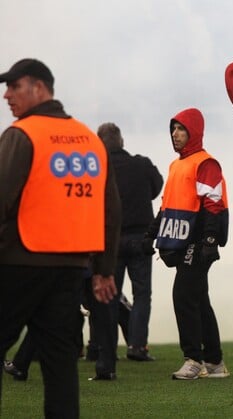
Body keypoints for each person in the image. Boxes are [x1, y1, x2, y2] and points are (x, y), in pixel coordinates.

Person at [0, 58, 121, 418]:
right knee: (60, 368)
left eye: (13, 86)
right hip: (70, 269)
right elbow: (109, 210)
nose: (7, 95)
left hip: (17, 262)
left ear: (39, 88)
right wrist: (103, 270)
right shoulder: (90, 141)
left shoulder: (23, 134)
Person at [144, 107, 230, 380]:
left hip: (197, 242)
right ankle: (215, 363)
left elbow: (213, 204)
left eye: (181, 128)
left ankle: (194, 360)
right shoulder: (175, 165)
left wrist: (209, 241)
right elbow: (166, 206)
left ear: (194, 131)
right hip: (181, 242)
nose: (175, 133)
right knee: (199, 300)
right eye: (173, 128)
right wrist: (151, 234)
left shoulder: (205, 163)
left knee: (183, 296)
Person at [96, 122, 164, 362]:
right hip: (140, 238)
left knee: (109, 296)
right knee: (142, 293)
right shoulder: (142, 164)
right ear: (122, 141)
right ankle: (137, 346)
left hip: (111, 241)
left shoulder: (99, 169)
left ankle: (106, 349)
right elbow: (158, 186)